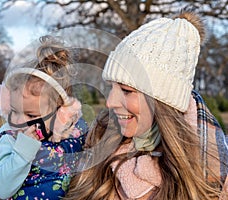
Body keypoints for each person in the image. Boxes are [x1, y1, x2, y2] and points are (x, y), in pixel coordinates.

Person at [65, 11, 228, 200]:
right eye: (111, 87)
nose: (110, 102)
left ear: (162, 102)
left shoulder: (215, 174)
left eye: (126, 91)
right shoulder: (96, 146)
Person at [0, 36, 88, 200]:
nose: (19, 121)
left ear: (60, 110)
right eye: (15, 111)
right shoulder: (11, 138)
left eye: (31, 115)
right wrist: (22, 153)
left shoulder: (76, 131)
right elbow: (1, 188)